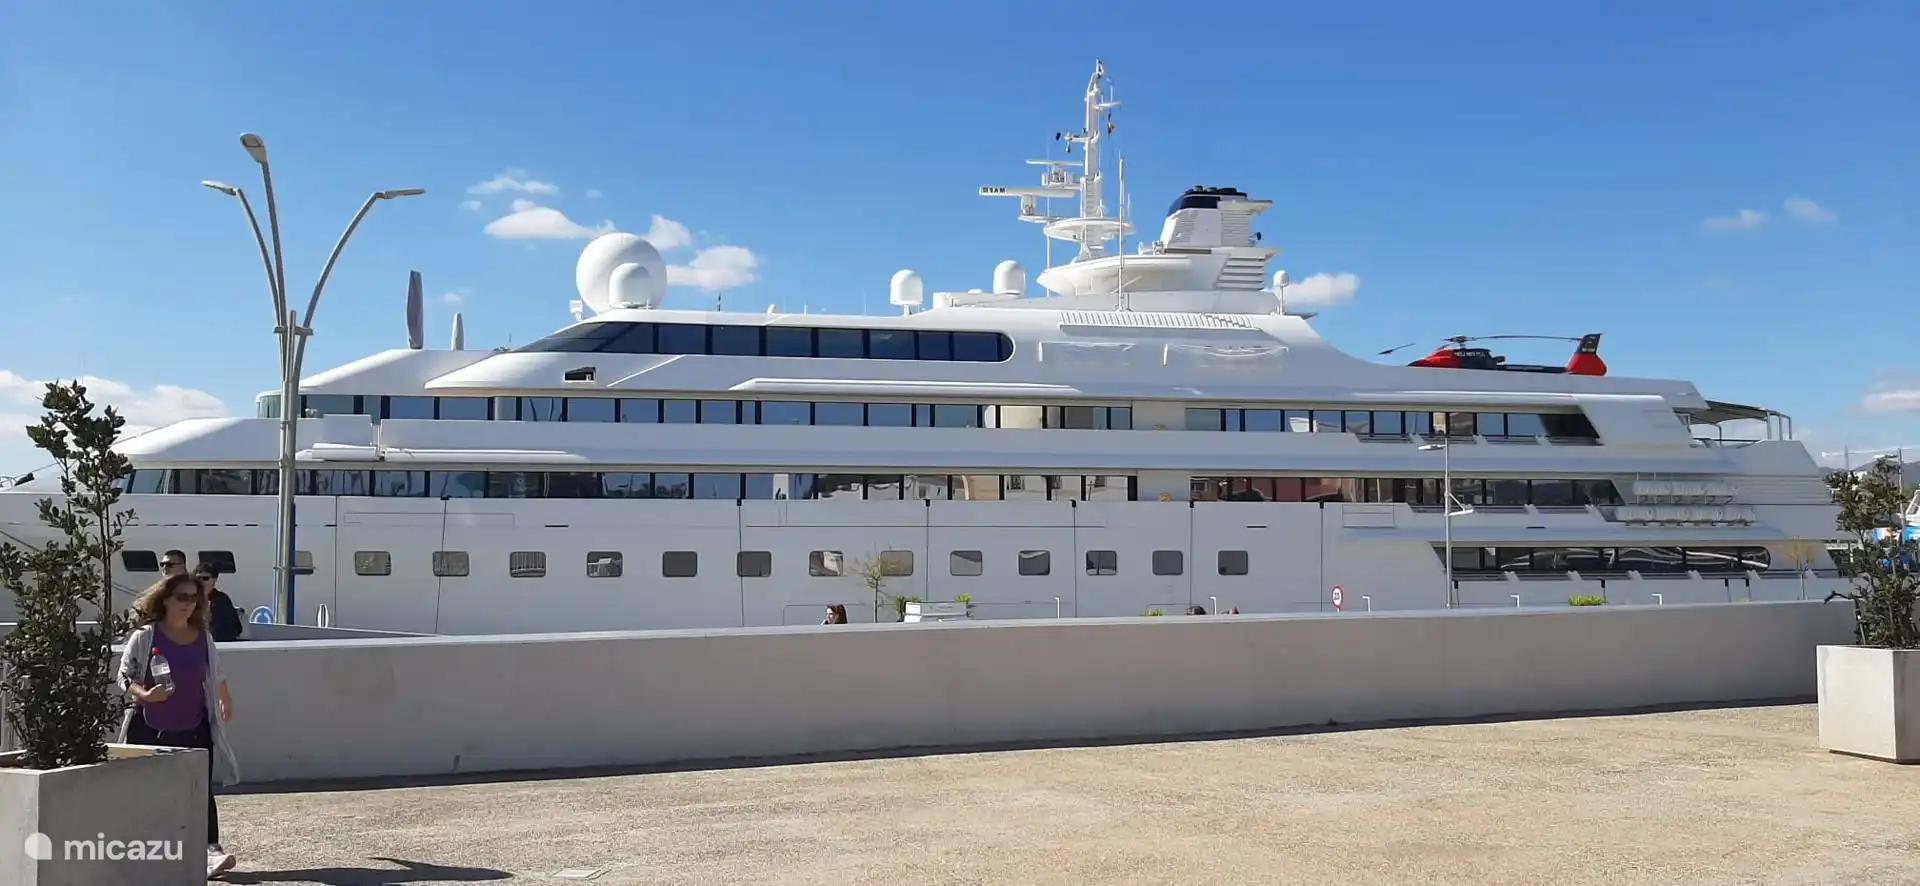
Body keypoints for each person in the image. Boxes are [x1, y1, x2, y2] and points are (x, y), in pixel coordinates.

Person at [117, 572, 242, 879]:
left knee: (200, 791)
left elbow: (215, 673)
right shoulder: (146, 636)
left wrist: (225, 699)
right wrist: (145, 694)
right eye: (181, 597)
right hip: (150, 728)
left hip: (195, 725)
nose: (188, 604)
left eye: (194, 598)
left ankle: (211, 851)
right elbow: (124, 676)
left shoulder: (203, 637)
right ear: (166, 600)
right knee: (149, 792)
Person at [197, 562, 244, 643]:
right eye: (198, 578)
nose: (201, 582)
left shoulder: (222, 600)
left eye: (205, 578)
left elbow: (235, 629)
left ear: (214, 580)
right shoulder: (190, 599)